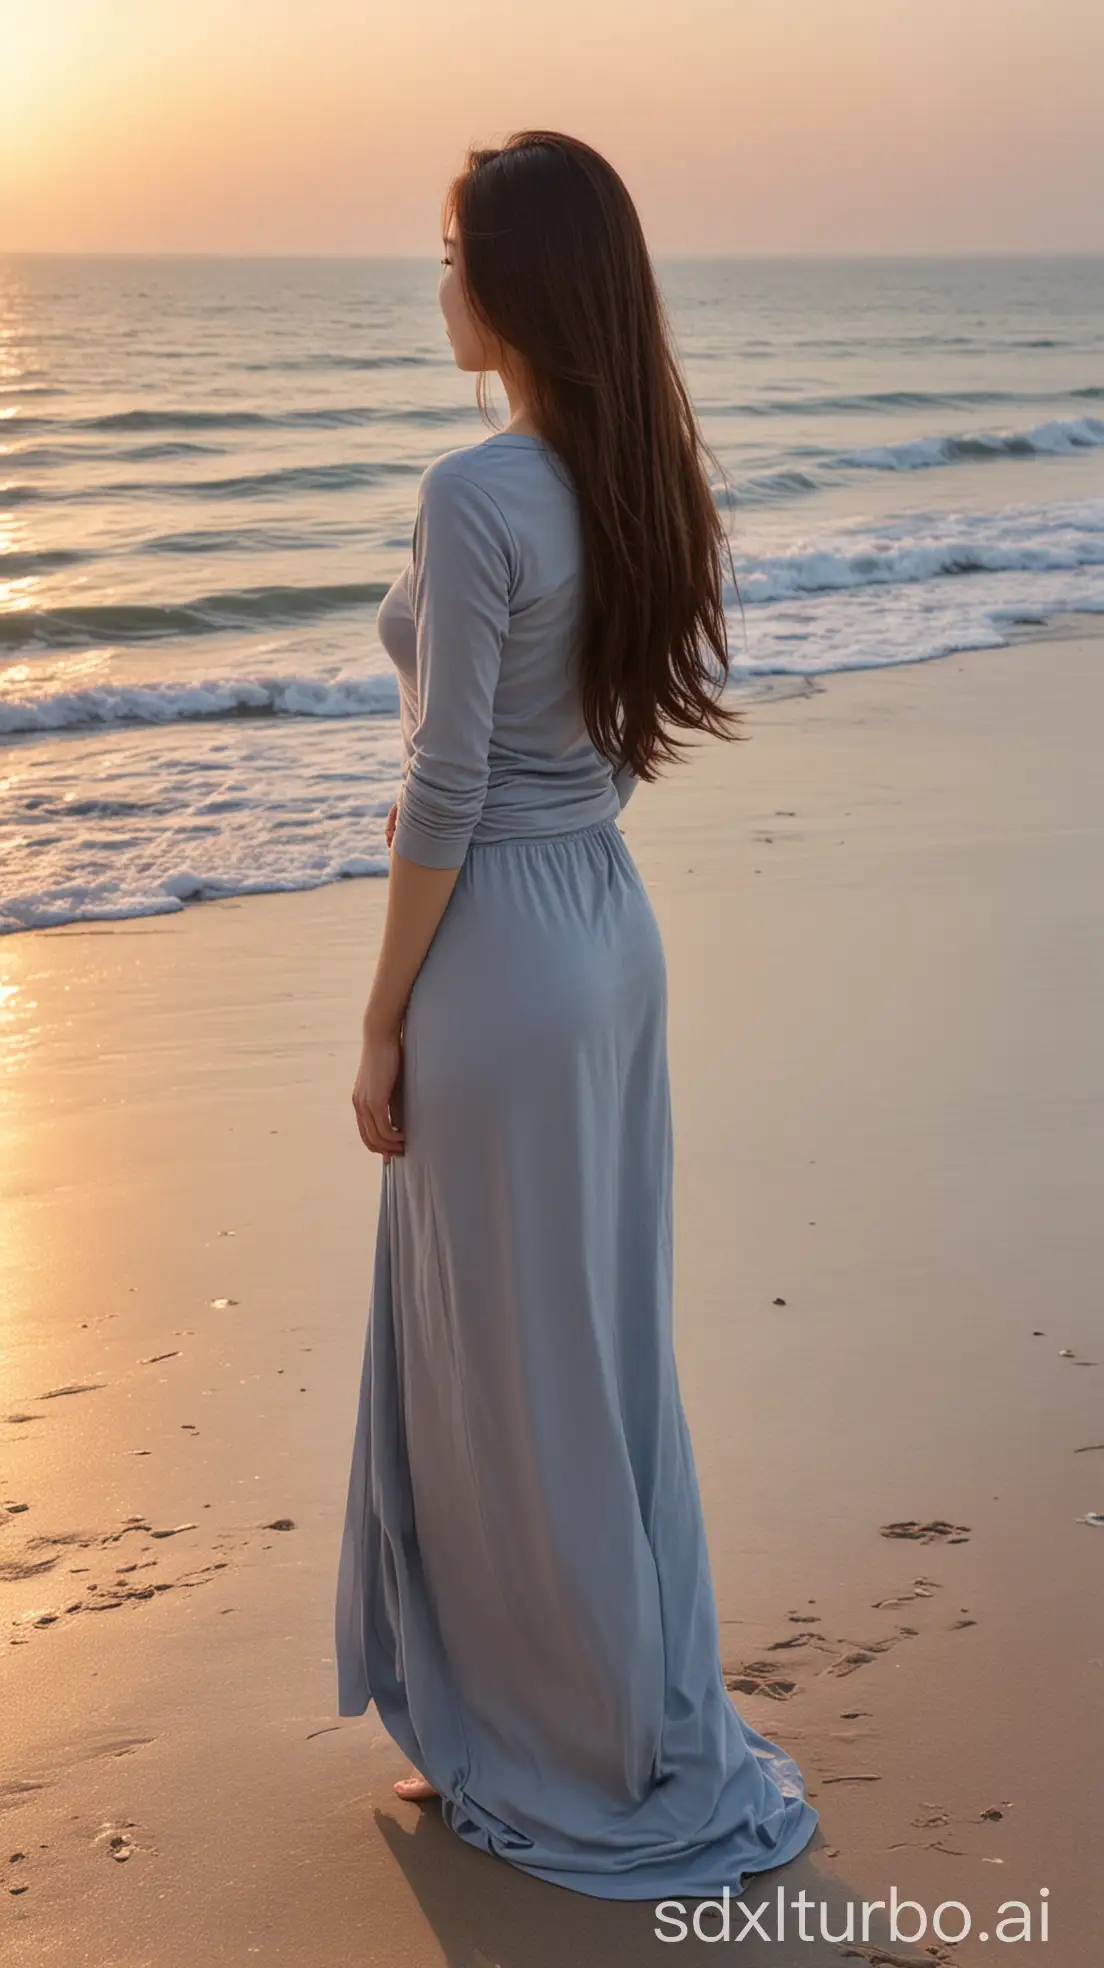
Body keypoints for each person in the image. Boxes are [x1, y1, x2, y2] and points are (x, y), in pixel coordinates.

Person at [335, 129, 818, 1901]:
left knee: (508, 1370)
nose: (438, 279)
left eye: (455, 249)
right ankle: (597, 1705)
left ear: (522, 280)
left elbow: (442, 788)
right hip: (608, 929)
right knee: (589, 1349)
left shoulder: (478, 497)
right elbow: (575, 749)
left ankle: (541, 1738)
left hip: (504, 967)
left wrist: (382, 1019)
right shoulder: (630, 478)